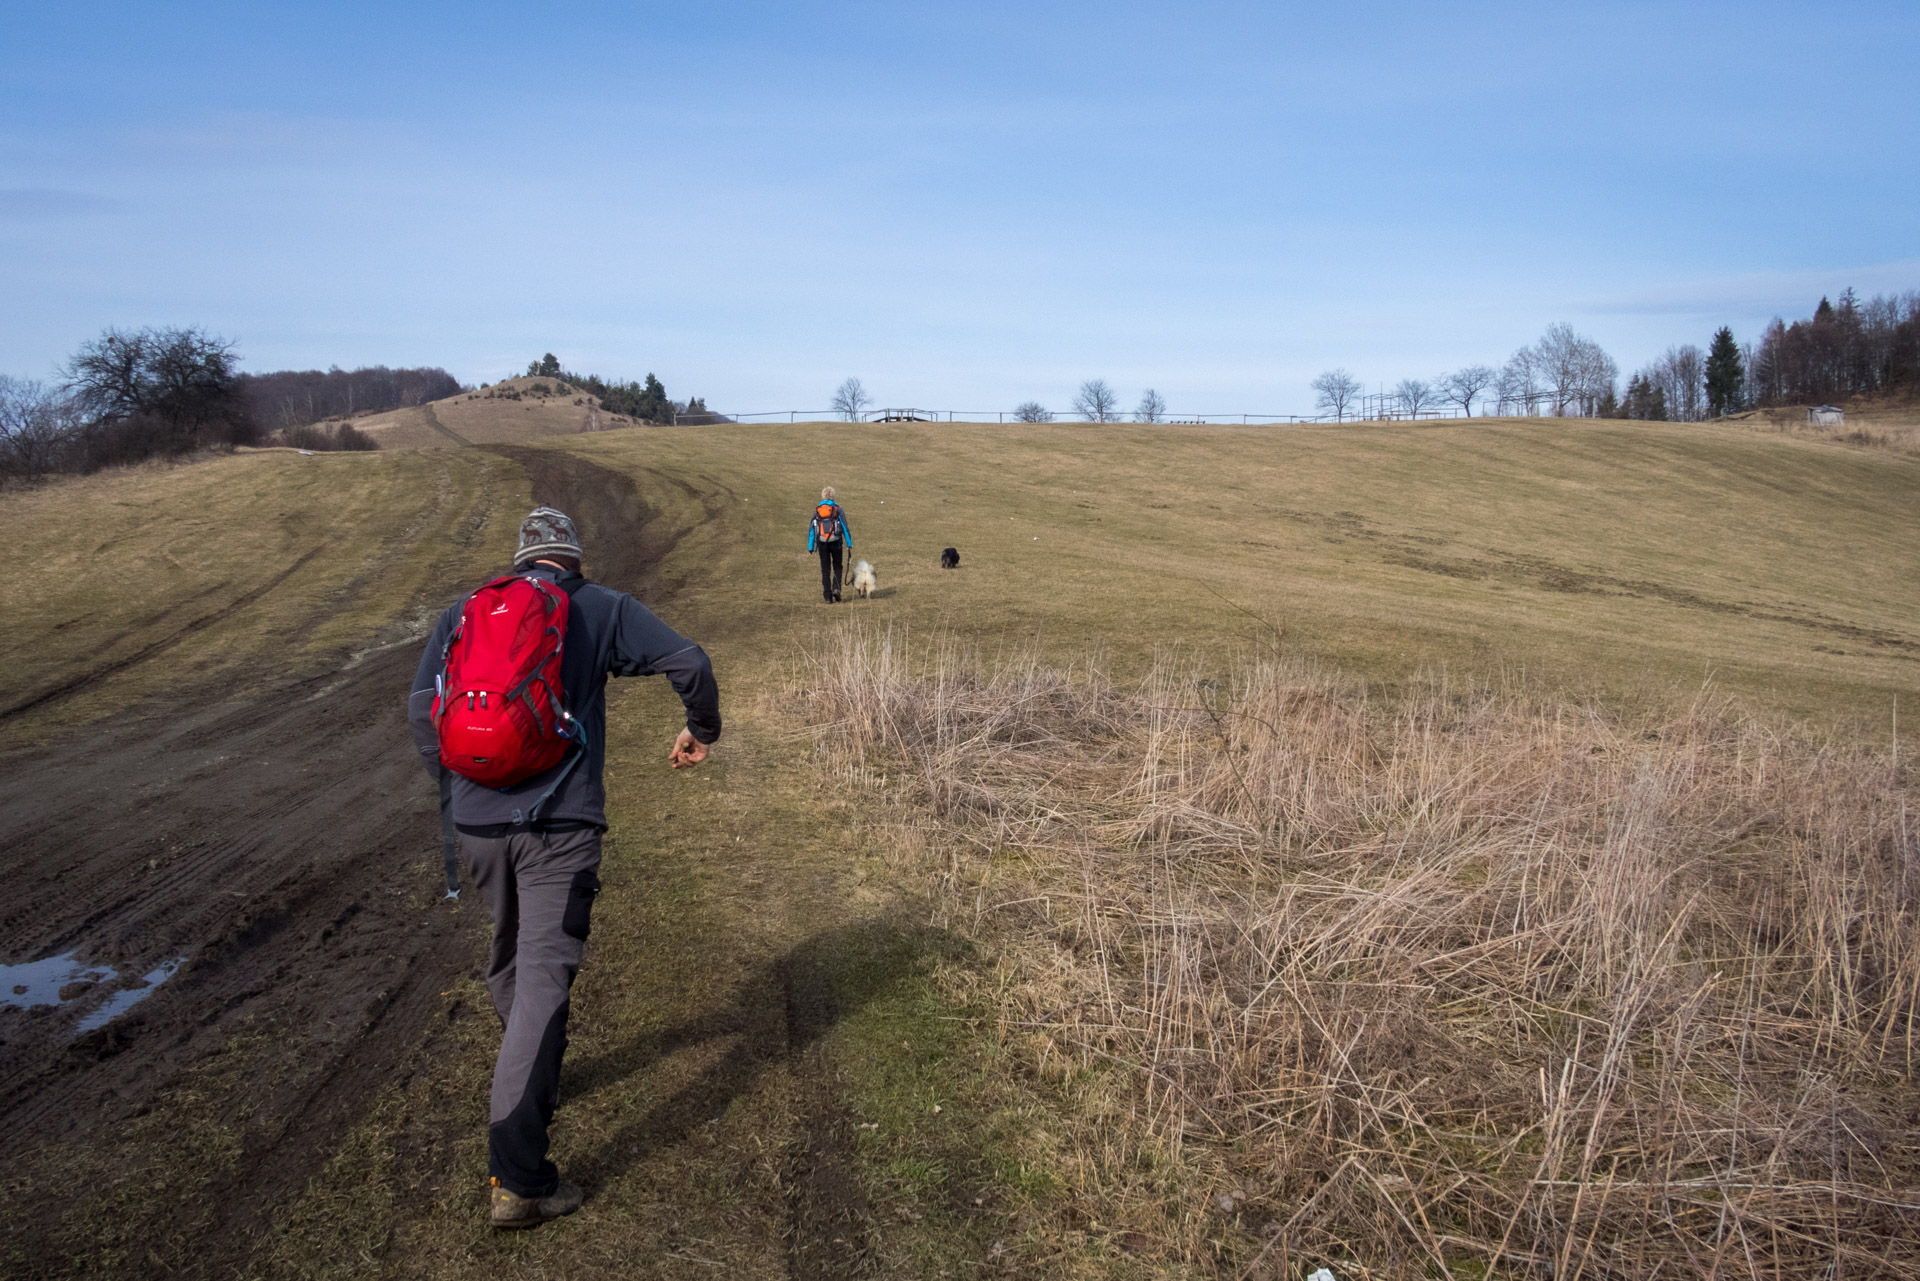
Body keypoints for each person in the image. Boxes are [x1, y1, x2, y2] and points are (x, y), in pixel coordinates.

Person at [407, 505, 721, 1229]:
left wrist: (458, 789)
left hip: (479, 825)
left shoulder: (466, 612)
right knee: (544, 979)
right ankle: (520, 1179)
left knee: (511, 959)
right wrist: (700, 728)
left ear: (520, 561)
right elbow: (691, 663)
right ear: (572, 558)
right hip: (561, 827)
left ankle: (533, 1072)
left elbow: (422, 706)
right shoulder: (603, 607)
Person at [807, 485, 853, 603]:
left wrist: (810, 547)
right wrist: (849, 543)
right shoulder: (838, 509)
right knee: (837, 566)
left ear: (823, 496)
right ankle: (836, 589)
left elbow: (812, 529)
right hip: (836, 541)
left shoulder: (818, 510)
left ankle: (827, 596)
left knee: (825, 569)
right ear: (833, 496)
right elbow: (844, 527)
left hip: (822, 543)